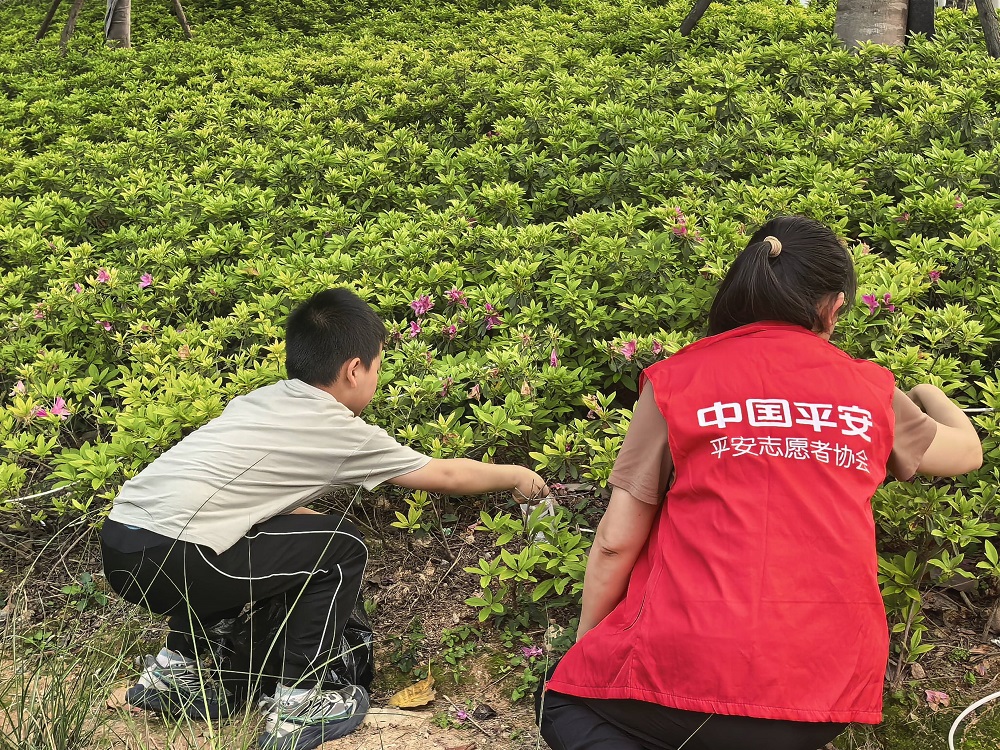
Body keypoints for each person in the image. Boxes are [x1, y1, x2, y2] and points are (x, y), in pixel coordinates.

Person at [538, 216, 984, 750]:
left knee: (564, 702)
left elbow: (615, 542)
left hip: (687, 664)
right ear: (834, 307)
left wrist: (587, 648)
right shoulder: (872, 391)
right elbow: (966, 452)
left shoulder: (678, 380)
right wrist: (930, 392)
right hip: (826, 686)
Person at [100, 287, 549, 750]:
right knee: (341, 547)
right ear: (354, 370)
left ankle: (174, 676)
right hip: (178, 557)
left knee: (259, 537)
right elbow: (447, 474)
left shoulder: (260, 402)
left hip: (121, 547)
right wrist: (520, 476)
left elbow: (245, 504)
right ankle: (300, 703)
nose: (377, 378)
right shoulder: (334, 426)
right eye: (378, 367)